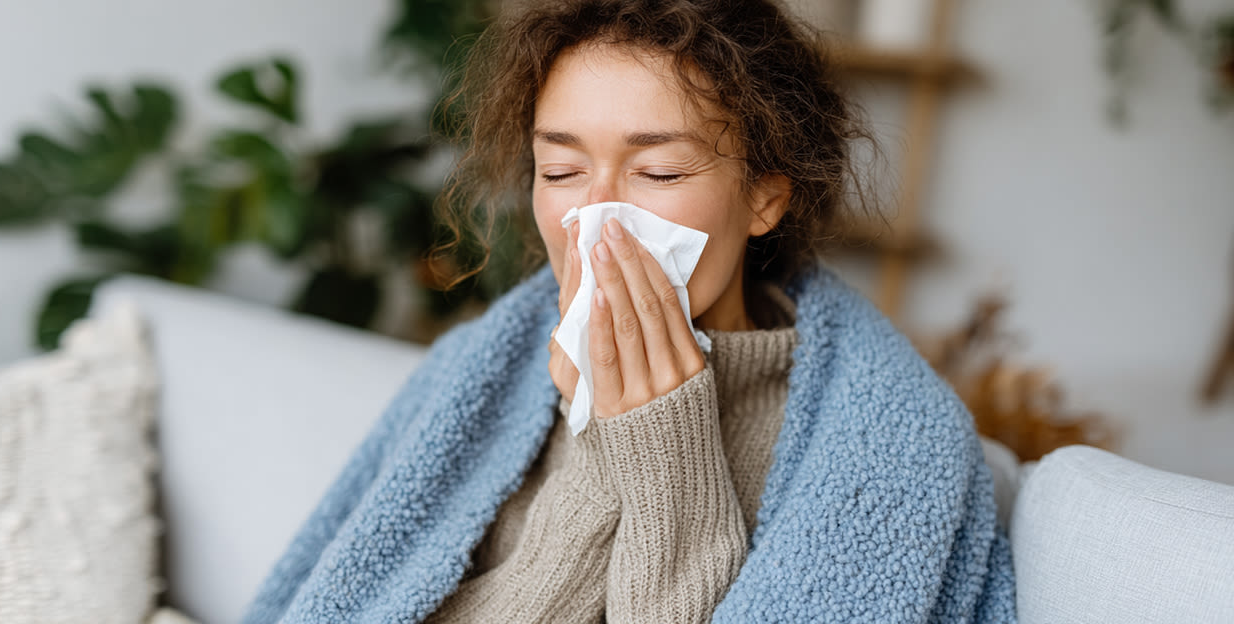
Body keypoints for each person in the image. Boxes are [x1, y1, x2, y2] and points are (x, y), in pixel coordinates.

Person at [242, 1, 1017, 622]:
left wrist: (660, 446)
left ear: (764, 198)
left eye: (658, 170)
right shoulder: (476, 371)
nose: (601, 216)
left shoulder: (877, 445)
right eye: (563, 168)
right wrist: (602, 452)